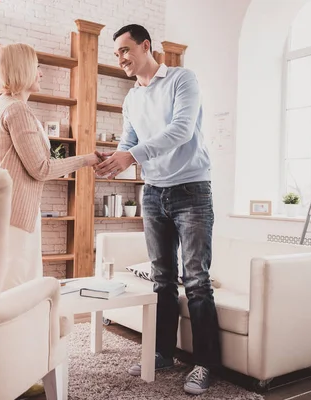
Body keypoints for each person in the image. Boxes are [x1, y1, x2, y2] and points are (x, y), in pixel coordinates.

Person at [94, 24, 220, 395]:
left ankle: (204, 364)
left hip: (192, 190)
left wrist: (130, 155)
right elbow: (129, 140)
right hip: (153, 192)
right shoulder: (131, 98)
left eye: (124, 50)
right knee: (162, 279)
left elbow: (182, 130)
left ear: (145, 46)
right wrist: (116, 159)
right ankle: (163, 353)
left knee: (196, 280)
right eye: (116, 53)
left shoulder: (182, 79)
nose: (120, 58)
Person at [0, 43, 100, 398]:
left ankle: (13, 370)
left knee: (6, 294)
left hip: (2, 216)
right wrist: (87, 159)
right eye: (36, 66)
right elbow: (42, 168)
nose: (42, 73)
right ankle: (18, 375)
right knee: (21, 297)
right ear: (20, 70)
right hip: (15, 219)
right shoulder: (17, 110)